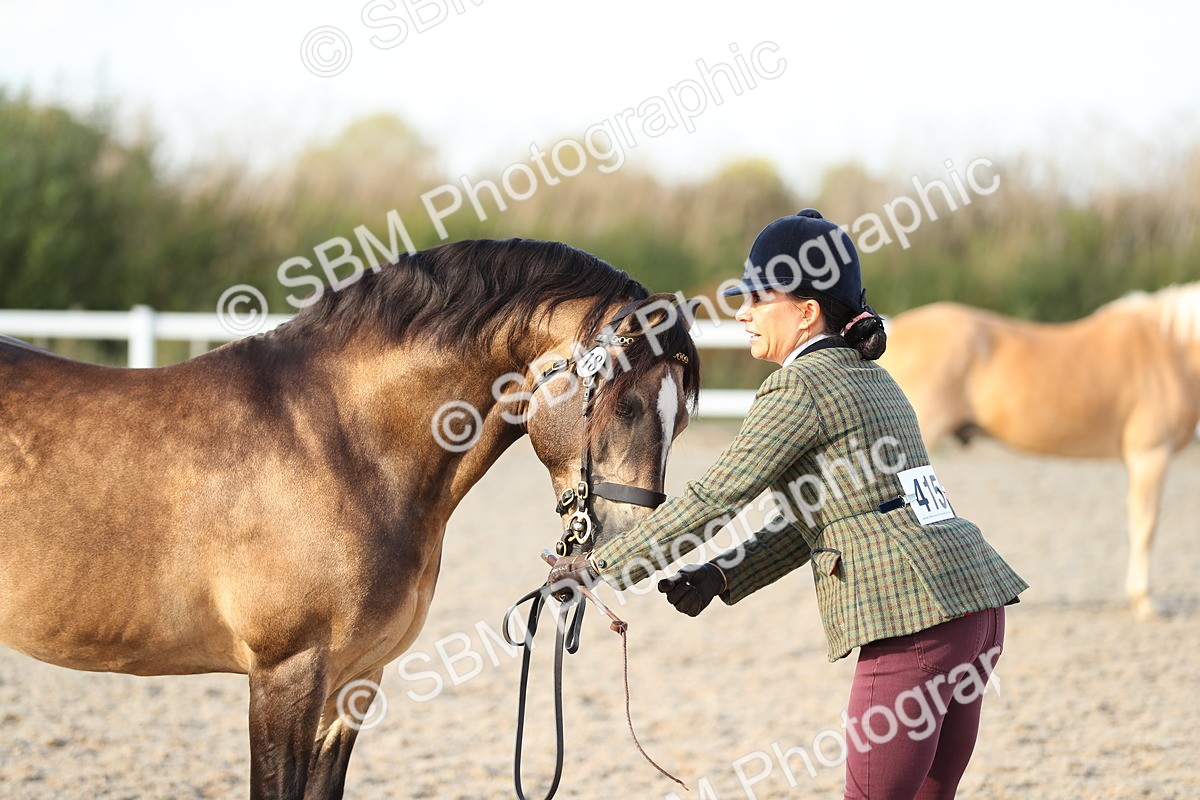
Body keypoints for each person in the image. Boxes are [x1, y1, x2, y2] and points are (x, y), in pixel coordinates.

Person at [547, 209, 1028, 799]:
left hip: (914, 623)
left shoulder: (799, 386)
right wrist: (724, 573)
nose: (742, 312)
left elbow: (715, 498)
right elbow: (818, 514)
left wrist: (598, 565)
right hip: (976, 611)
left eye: (757, 298)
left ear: (806, 312)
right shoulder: (873, 378)